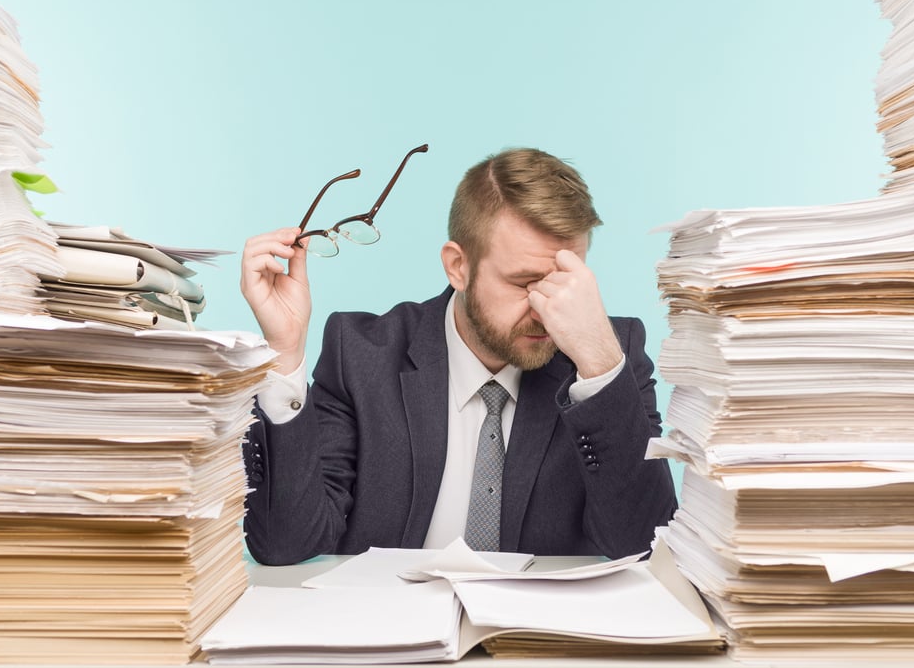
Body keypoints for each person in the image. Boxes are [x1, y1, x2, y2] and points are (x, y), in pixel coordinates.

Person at [239, 146, 676, 566]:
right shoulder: (361, 355)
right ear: (458, 266)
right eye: (524, 282)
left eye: (565, 282)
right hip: (396, 631)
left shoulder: (609, 359)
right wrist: (283, 353)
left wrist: (599, 365)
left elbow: (643, 545)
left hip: (536, 641)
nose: (547, 308)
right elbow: (284, 544)